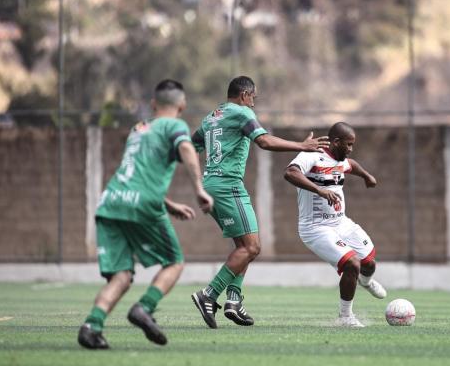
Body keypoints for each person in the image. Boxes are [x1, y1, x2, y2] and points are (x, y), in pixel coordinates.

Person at [77, 79, 212, 349]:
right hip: (141, 204)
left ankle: (92, 326)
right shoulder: (175, 125)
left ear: (153, 104)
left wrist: (170, 204)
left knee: (122, 276)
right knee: (174, 261)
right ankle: (145, 308)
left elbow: (138, 175)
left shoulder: (138, 129)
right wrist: (198, 188)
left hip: (111, 202)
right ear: (182, 105)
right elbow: (186, 147)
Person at [190, 76, 329, 329]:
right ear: (244, 95)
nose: (253, 104)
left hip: (211, 185)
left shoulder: (211, 117)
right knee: (253, 248)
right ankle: (208, 295)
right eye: (253, 97)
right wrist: (301, 146)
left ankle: (233, 301)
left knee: (242, 247)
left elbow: (192, 144)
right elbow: (263, 141)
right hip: (228, 186)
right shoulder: (242, 113)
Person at [284, 122, 387, 327]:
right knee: (352, 264)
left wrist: (366, 176)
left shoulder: (341, 159)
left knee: (369, 263)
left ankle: (365, 282)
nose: (350, 149)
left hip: (341, 223)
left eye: (352, 145)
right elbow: (290, 173)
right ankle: (345, 317)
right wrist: (319, 190)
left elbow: (351, 165)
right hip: (315, 228)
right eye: (347, 145)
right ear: (336, 142)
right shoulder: (312, 155)